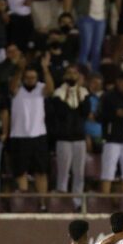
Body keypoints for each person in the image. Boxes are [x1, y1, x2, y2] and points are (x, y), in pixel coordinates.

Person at [9, 53, 54, 209]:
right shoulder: (17, 89)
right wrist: (19, 70)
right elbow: (12, 86)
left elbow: (51, 89)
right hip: (19, 136)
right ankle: (25, 203)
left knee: (41, 172)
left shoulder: (41, 88)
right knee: (20, 172)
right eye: (27, 77)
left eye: (33, 77)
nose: (30, 80)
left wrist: (45, 69)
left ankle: (42, 204)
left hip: (38, 135)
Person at [51, 65, 90, 208]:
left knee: (79, 172)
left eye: (75, 73)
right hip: (64, 138)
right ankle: (62, 200)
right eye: (69, 73)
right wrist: (67, 94)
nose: (72, 76)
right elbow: (62, 112)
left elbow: (84, 111)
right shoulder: (58, 93)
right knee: (63, 171)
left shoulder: (84, 92)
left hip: (79, 138)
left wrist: (78, 92)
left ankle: (77, 202)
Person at [67, 0, 110, 71]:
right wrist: (78, 12)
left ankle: (94, 73)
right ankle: (81, 72)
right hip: (86, 17)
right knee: (86, 46)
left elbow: (107, 0)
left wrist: (106, 13)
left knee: (97, 49)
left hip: (101, 18)